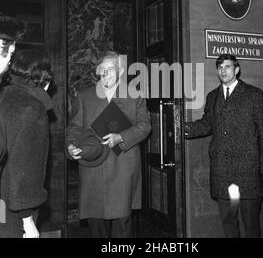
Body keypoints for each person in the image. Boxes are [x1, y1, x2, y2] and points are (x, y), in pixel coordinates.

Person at [184, 54, 263, 238]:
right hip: (223, 172)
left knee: (251, 224)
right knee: (228, 222)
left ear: (236, 69)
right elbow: (207, 124)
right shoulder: (212, 97)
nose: (223, 71)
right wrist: (185, 128)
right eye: (220, 67)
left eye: (227, 67)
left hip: (248, 171)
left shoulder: (254, 94)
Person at [67, 51, 151, 238]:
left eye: (110, 69)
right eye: (102, 69)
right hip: (94, 167)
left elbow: (145, 126)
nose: (105, 74)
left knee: (123, 224)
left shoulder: (135, 94)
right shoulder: (84, 96)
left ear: (120, 71)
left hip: (123, 167)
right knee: (96, 223)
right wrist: (71, 145)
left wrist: (120, 137)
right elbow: (74, 127)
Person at [0, 49, 53, 238]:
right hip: (13, 209)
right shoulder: (30, 107)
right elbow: (24, 168)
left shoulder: (3, 96)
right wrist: (27, 220)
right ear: (45, 79)